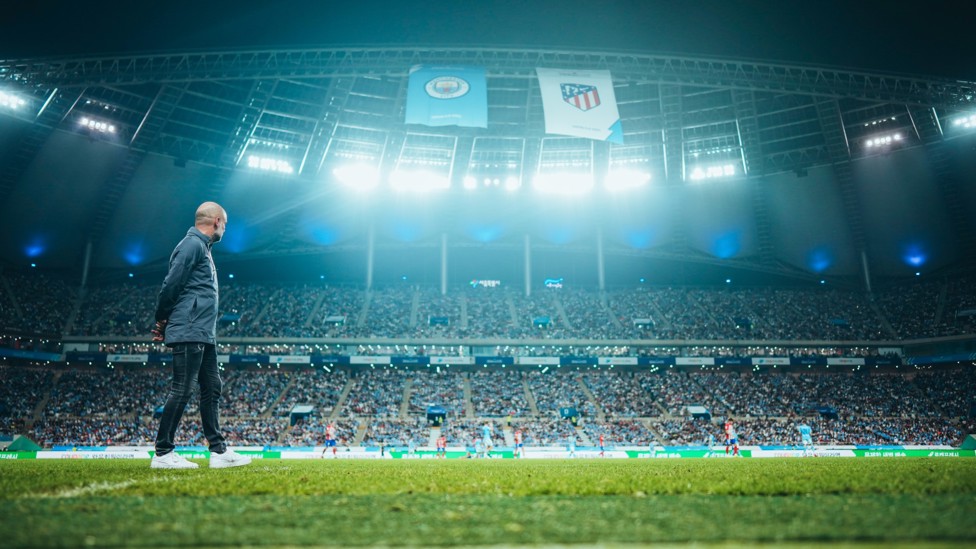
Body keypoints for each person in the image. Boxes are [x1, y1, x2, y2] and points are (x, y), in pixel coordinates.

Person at [149, 202, 251, 470]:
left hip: (203, 330)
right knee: (182, 388)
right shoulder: (192, 245)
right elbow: (171, 284)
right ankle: (162, 453)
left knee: (212, 386)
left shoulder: (202, 248)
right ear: (217, 221)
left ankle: (218, 451)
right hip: (190, 327)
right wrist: (161, 319)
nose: (225, 229)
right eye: (225, 224)